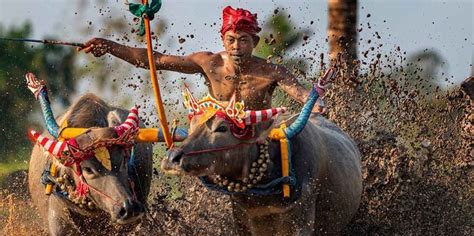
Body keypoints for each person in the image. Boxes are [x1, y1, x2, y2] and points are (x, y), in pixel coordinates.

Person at [80, 6, 330, 113]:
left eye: (244, 40)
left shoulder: (273, 72)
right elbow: (155, 60)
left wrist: (315, 105)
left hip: (259, 137)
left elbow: (300, 93)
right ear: (223, 40)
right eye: (231, 39)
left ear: (255, 43)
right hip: (217, 139)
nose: (236, 46)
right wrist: (109, 46)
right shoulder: (209, 63)